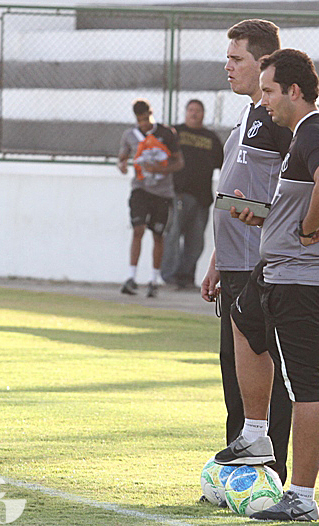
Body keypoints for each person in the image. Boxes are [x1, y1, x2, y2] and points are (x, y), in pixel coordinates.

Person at [213, 48, 319, 523]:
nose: (264, 100)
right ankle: (255, 432)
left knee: (304, 386)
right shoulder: (303, 135)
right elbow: (307, 198)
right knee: (242, 316)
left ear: (294, 91)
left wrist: (310, 229)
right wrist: (268, 218)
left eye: (270, 91)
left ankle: (302, 498)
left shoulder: (312, 130)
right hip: (279, 272)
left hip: (302, 278)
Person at [199, 19, 294, 484]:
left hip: (264, 267)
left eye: (237, 59)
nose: (228, 66)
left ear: (264, 63)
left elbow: (299, 190)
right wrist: (218, 258)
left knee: (267, 374)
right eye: (228, 57)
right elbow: (239, 191)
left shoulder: (280, 119)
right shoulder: (247, 115)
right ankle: (239, 479)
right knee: (236, 378)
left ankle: (271, 476)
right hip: (235, 265)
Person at [118, 99, 184, 298]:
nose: (144, 123)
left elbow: (179, 162)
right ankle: (131, 277)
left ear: (151, 113)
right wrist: (121, 164)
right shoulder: (130, 135)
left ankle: (154, 280)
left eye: (146, 118)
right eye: (140, 120)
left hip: (162, 193)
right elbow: (122, 156)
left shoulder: (166, 133)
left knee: (158, 235)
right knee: (138, 229)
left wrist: (161, 169)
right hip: (140, 189)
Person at [162, 99, 223, 289]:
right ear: (185, 112)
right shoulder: (175, 133)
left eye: (198, 110)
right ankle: (170, 278)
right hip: (179, 194)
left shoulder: (211, 138)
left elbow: (221, 164)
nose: (194, 114)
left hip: (202, 198)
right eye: (191, 110)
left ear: (203, 114)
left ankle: (186, 277)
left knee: (195, 242)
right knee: (172, 236)